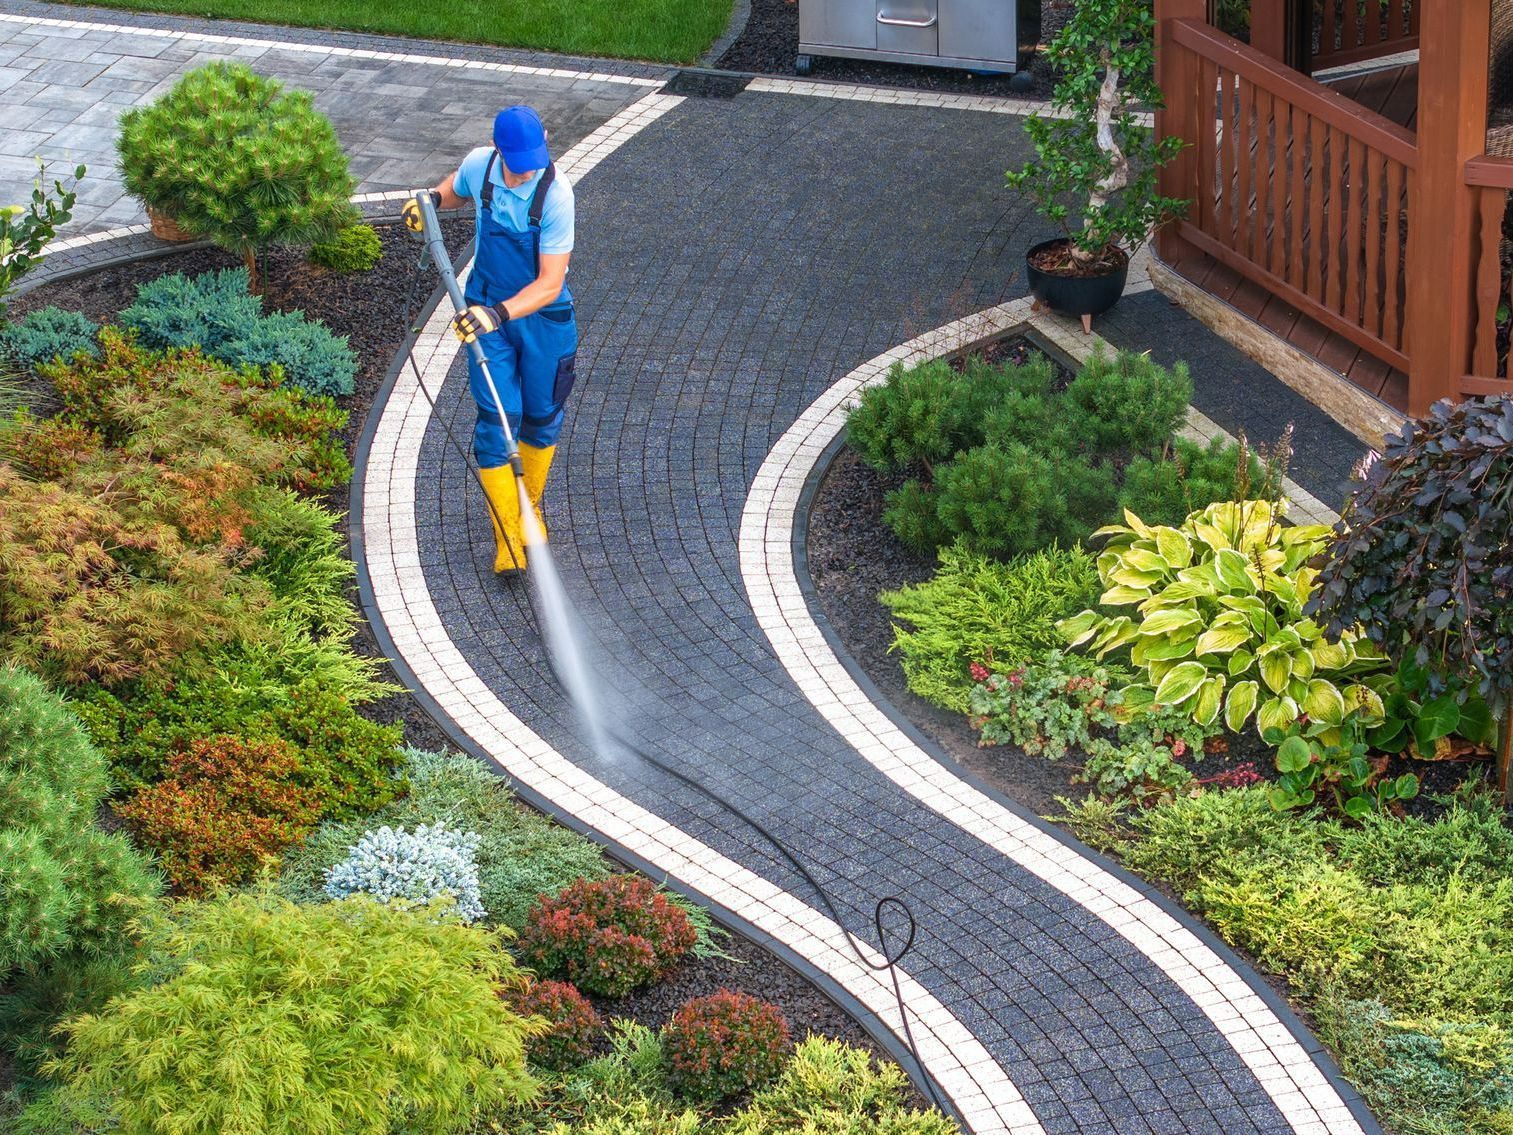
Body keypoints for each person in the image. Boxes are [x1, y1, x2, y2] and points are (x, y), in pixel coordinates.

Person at [404, 105, 578, 574]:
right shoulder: (480, 165)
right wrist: (432, 202)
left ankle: (528, 509)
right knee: (498, 418)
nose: (526, 173)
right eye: (517, 164)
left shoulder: (556, 195)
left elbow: (549, 284)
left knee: (542, 416)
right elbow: (455, 189)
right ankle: (507, 534)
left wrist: (496, 314)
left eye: (533, 161)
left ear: (546, 139)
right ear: (497, 148)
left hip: (542, 319)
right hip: (486, 311)